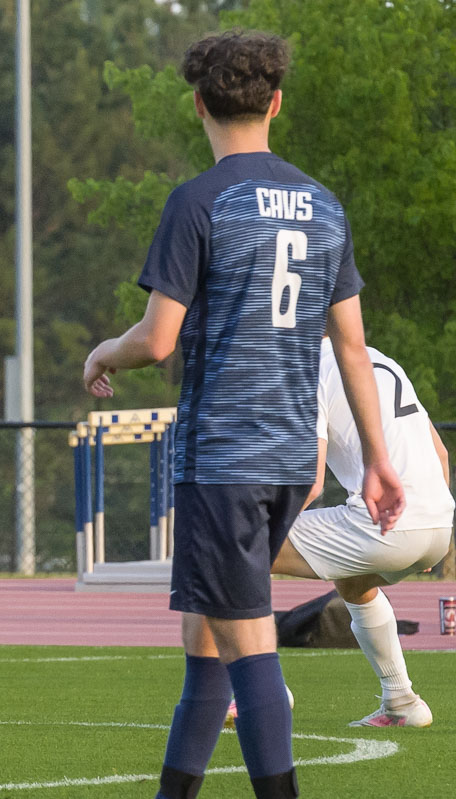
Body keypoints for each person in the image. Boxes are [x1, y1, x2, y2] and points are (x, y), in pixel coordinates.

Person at [82, 31, 405, 799]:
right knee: (205, 640)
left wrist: (102, 352)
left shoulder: (199, 200)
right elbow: (353, 350)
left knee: (249, 647)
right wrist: (381, 460)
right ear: (277, 104)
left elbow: (157, 339)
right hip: (295, 456)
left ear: (198, 104)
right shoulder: (324, 205)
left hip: (224, 458)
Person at [269, 338, 451, 727]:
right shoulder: (384, 361)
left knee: (231, 551)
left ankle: (260, 688)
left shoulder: (308, 368)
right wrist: (430, 531)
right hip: (439, 521)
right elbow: (442, 454)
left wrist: (255, 533)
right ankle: (401, 700)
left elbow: (309, 482)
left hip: (392, 525)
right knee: (353, 584)